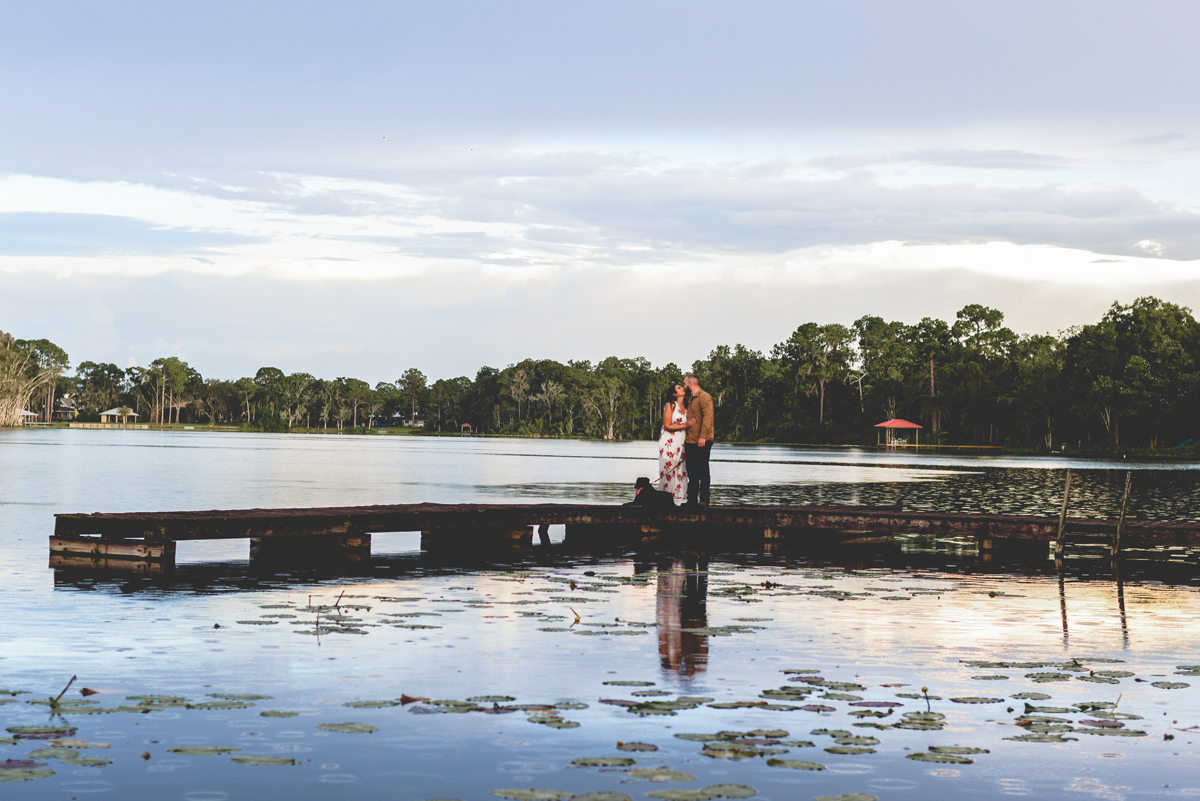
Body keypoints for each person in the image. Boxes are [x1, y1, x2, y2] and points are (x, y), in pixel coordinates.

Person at [656, 382, 693, 503]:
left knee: (680, 470)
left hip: (681, 442)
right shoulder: (671, 405)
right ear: (674, 394)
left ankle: (678, 500)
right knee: (669, 468)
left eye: (682, 387)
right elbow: (667, 425)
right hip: (669, 441)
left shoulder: (688, 406)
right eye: (679, 388)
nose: (682, 388)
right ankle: (664, 499)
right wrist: (685, 425)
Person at [683, 374, 714, 506]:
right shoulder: (691, 399)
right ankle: (691, 500)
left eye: (684, 383)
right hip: (691, 440)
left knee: (702, 470)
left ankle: (704, 500)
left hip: (702, 440)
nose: (683, 385)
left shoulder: (704, 397)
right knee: (692, 472)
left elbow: (708, 418)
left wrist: (703, 436)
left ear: (690, 384)